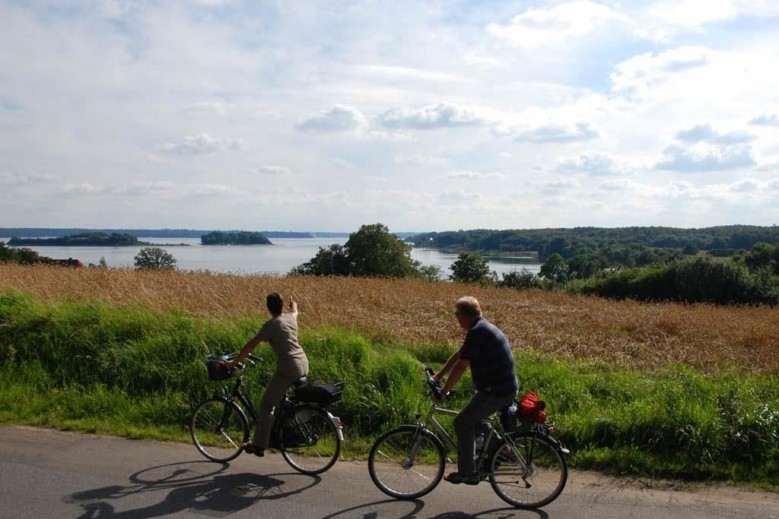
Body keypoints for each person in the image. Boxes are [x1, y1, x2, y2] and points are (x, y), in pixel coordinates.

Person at [432, 296, 518, 485]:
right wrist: (438, 376)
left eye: (456, 314)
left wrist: (445, 391)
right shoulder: (480, 328)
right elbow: (460, 354)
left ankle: (468, 473)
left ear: (463, 316)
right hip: (500, 387)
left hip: (497, 390)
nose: (456, 318)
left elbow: (461, 366)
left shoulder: (478, 332)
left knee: (462, 422)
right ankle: (502, 450)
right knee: (475, 419)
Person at [223, 292, 309, 457]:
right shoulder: (290, 318)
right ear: (282, 305)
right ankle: (280, 431)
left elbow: (250, 346)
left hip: (288, 368)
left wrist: (232, 363)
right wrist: (294, 305)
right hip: (303, 364)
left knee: (266, 405)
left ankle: (259, 445)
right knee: (280, 401)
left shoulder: (271, 325)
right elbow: (296, 311)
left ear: (268, 308)